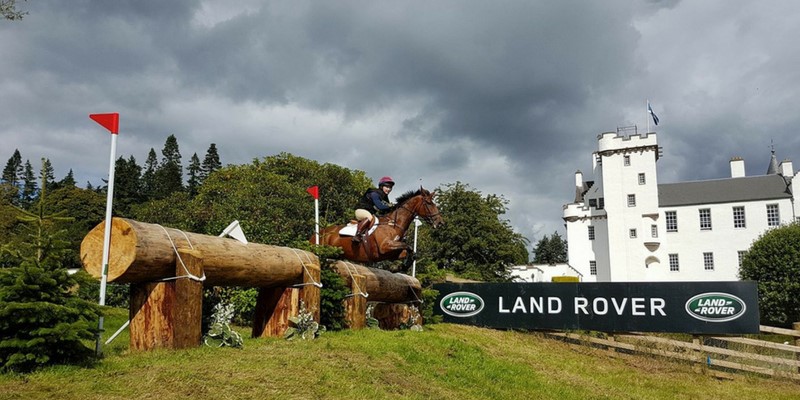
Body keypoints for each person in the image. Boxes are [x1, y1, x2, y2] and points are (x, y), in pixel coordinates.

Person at [352, 176, 395, 243]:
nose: (389, 189)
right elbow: (380, 206)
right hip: (361, 210)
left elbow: (387, 210)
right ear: (381, 186)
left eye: (390, 187)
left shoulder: (385, 197)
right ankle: (357, 235)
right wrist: (391, 206)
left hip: (370, 213)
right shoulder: (374, 193)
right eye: (387, 187)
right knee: (370, 218)